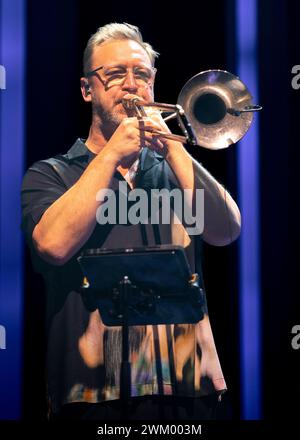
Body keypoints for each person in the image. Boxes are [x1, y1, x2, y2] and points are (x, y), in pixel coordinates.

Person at [21, 22, 241, 420]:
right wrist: (109, 156)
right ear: (88, 89)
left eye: (141, 74)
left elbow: (227, 231)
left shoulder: (177, 171)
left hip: (188, 387)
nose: (130, 84)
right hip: (90, 389)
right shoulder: (50, 174)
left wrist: (174, 150)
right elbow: (52, 246)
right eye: (115, 74)